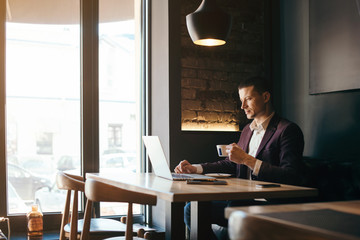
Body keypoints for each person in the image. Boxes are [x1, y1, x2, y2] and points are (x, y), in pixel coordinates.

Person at [174, 76, 306, 239]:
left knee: (235, 205)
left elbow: (291, 175)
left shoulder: (287, 130)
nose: (243, 106)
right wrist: (196, 168)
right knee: (191, 208)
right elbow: (231, 164)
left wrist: (246, 159)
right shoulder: (247, 130)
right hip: (242, 199)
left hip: (270, 203)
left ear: (265, 97)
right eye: (241, 100)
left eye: (248, 99)